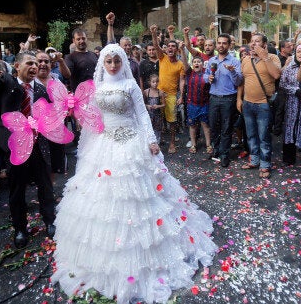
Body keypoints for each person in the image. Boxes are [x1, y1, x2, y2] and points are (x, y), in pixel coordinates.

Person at [51, 44, 216, 304]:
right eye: (109, 61)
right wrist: (75, 112)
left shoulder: (130, 86)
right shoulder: (98, 88)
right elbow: (92, 115)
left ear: (123, 62)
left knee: (140, 197)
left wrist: (151, 140)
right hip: (104, 145)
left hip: (131, 142)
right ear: (103, 64)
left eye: (117, 61)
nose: (114, 65)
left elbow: (142, 114)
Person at [0, 29, 56, 247]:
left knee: (45, 186)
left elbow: (50, 115)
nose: (34, 67)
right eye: (29, 64)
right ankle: (20, 229)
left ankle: (50, 221)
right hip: (15, 148)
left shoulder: (43, 90)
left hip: (39, 146)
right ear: (17, 67)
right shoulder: (6, 84)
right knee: (17, 190)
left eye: (36, 64)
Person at [237, 33, 281, 179]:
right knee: (250, 135)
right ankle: (254, 160)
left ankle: (265, 165)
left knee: (263, 136)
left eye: (257, 41)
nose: (253, 44)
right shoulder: (245, 59)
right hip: (248, 103)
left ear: (264, 45)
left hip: (263, 104)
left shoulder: (273, 58)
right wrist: (239, 99)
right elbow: (242, 82)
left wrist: (265, 57)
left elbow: (276, 75)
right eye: (252, 41)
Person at [203, 33, 243, 167]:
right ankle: (216, 150)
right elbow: (205, 75)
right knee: (214, 126)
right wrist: (207, 78)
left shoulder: (235, 62)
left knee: (226, 128)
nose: (221, 45)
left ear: (229, 45)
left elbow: (238, 81)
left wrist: (232, 71)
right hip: (214, 98)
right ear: (216, 44)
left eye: (224, 43)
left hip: (228, 99)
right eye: (219, 43)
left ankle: (224, 154)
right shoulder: (211, 61)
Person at [149, 24, 185, 154]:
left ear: (176, 50)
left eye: (173, 46)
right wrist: (153, 33)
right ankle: (157, 141)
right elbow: (156, 45)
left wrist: (181, 96)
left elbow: (182, 80)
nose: (170, 48)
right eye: (168, 46)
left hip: (171, 95)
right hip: (158, 94)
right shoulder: (162, 57)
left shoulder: (180, 64)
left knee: (172, 122)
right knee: (157, 120)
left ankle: (172, 142)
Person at [278, 44, 301, 168]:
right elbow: (282, 85)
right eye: (299, 51)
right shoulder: (289, 68)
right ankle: (289, 158)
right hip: (291, 104)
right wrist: (295, 90)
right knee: (290, 129)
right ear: (295, 53)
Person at [181, 44, 212, 156]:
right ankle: (194, 144)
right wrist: (182, 50)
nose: (197, 63)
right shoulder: (189, 73)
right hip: (192, 104)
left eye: (199, 62)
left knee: (205, 126)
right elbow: (184, 62)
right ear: (192, 64)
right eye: (195, 62)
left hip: (204, 104)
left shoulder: (206, 74)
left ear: (202, 64)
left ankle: (208, 144)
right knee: (192, 126)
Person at [143, 74, 166, 143]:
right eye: (153, 82)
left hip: (157, 115)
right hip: (149, 115)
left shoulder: (160, 92)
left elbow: (164, 104)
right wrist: (147, 106)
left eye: (156, 82)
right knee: (149, 130)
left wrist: (158, 106)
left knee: (157, 131)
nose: (155, 84)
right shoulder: (146, 92)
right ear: (150, 82)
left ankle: (157, 145)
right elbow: (142, 104)